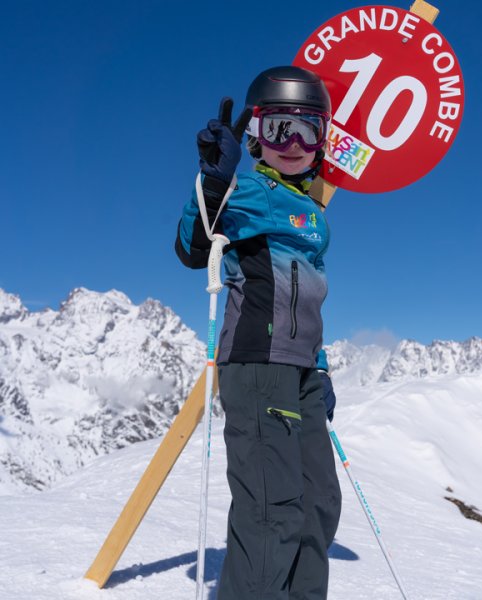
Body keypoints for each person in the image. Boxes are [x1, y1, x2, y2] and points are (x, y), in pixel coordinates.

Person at [175, 66, 342, 599]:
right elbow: (192, 246)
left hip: (302, 370)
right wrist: (214, 179)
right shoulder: (246, 190)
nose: (292, 143)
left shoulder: (314, 214)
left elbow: (306, 298)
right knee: (272, 510)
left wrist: (318, 363)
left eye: (308, 130)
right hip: (258, 362)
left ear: (323, 139)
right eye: (277, 129)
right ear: (255, 136)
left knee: (319, 502)